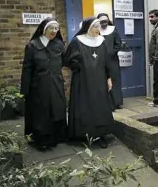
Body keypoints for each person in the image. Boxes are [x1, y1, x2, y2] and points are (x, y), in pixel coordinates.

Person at [64, 17, 114, 148]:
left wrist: (109, 78)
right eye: (96, 26)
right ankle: (85, 134)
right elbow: (67, 60)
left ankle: (101, 134)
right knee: (85, 106)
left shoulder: (102, 41)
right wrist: (77, 65)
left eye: (99, 26)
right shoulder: (77, 41)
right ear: (88, 28)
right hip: (83, 81)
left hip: (100, 80)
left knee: (100, 106)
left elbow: (107, 62)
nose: (99, 29)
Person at [20, 17, 67, 150]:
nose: (54, 31)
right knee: (41, 113)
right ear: (44, 29)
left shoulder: (59, 45)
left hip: (56, 84)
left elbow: (65, 61)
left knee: (57, 110)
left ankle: (56, 137)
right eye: (51, 28)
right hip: (38, 86)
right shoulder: (33, 45)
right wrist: (25, 89)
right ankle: (41, 140)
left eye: (56, 28)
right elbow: (27, 68)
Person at [97, 13, 123, 111]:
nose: (104, 24)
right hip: (100, 60)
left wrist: (112, 52)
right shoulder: (97, 31)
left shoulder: (113, 29)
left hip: (112, 60)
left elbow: (118, 43)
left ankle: (116, 102)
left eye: (105, 21)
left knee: (114, 80)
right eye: (102, 22)